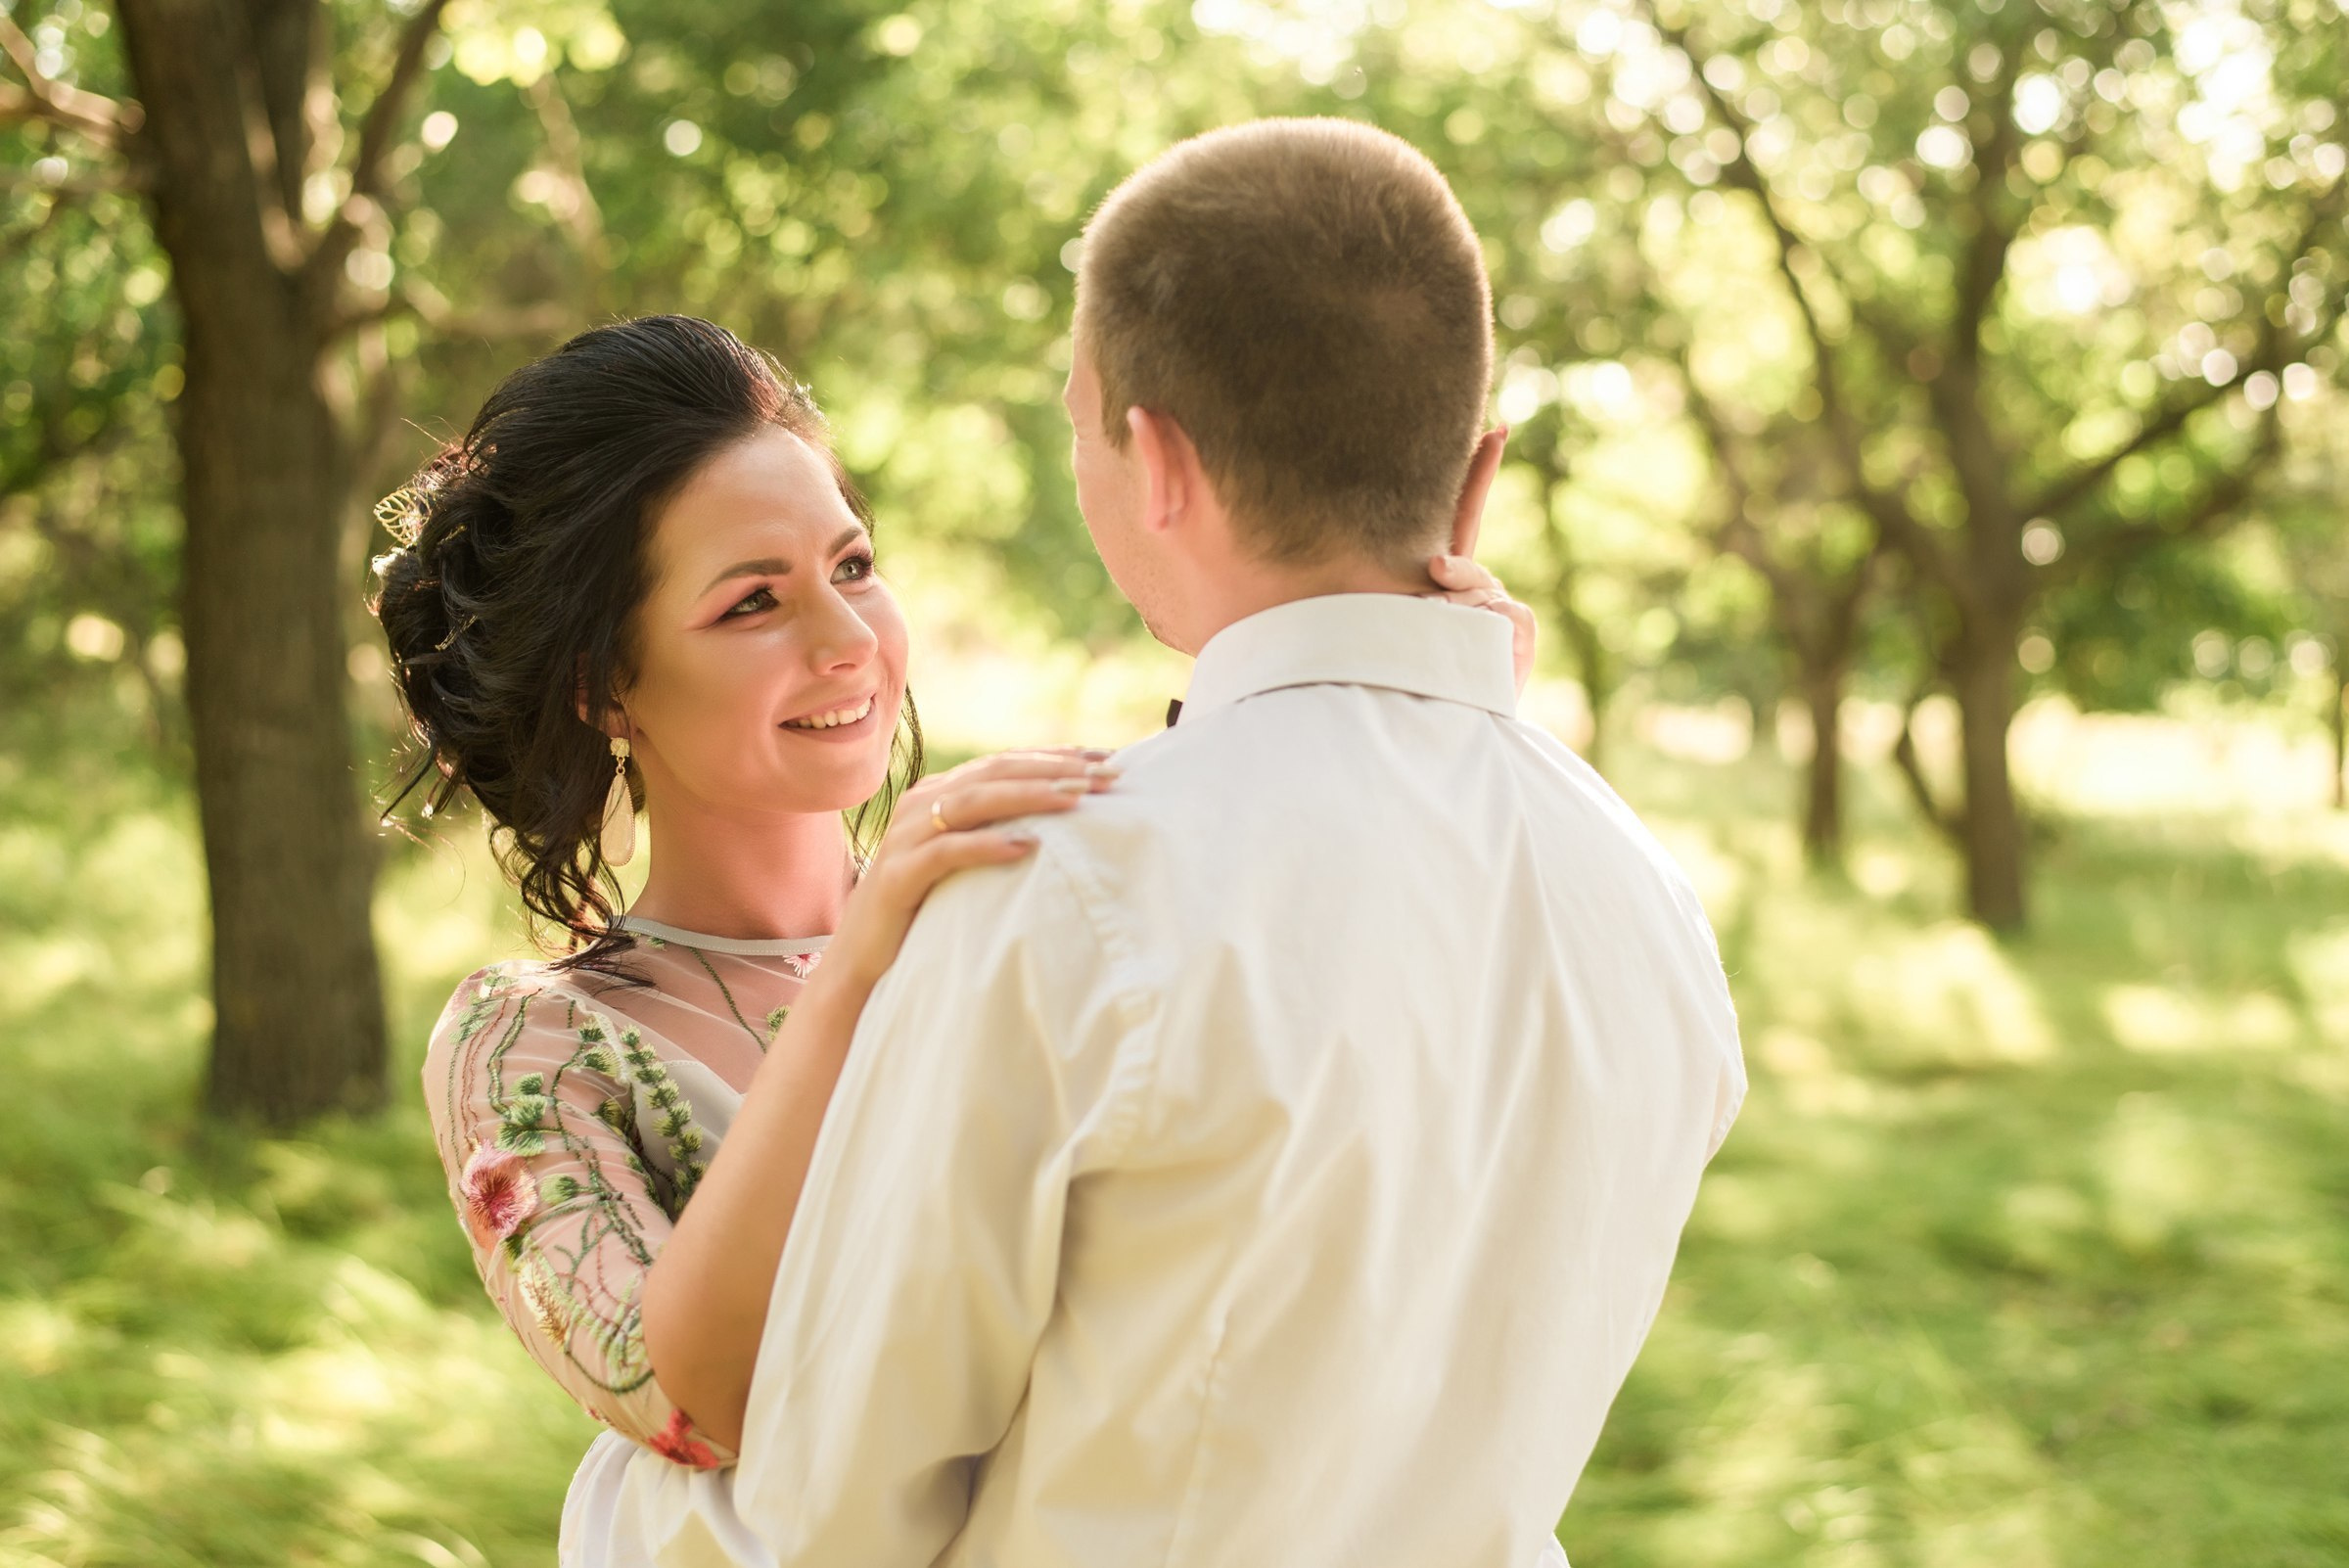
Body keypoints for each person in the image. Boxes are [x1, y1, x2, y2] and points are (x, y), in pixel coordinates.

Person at [597, 118, 1745, 1568]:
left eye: (1079, 421)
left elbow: (831, 1518)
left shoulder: (1057, 891)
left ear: (1155, 460)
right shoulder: (1645, 898)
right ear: (1477, 477)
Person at [371, 316, 1532, 1537]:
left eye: (854, 566)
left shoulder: (1023, 893)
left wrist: (1419, 696)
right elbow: (688, 1399)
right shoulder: (536, 1048)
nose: (848, 645)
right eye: (753, 603)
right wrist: (859, 967)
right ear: (603, 684)